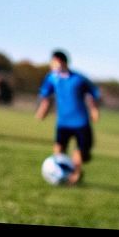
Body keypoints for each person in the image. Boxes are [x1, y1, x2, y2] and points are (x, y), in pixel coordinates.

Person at [34, 49, 99, 185]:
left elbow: (92, 95)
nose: (51, 65)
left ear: (62, 62)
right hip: (63, 121)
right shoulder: (52, 78)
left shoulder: (78, 79)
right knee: (59, 149)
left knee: (79, 152)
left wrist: (94, 110)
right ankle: (58, 174)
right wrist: (42, 111)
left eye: (53, 62)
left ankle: (75, 176)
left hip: (80, 121)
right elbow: (46, 96)